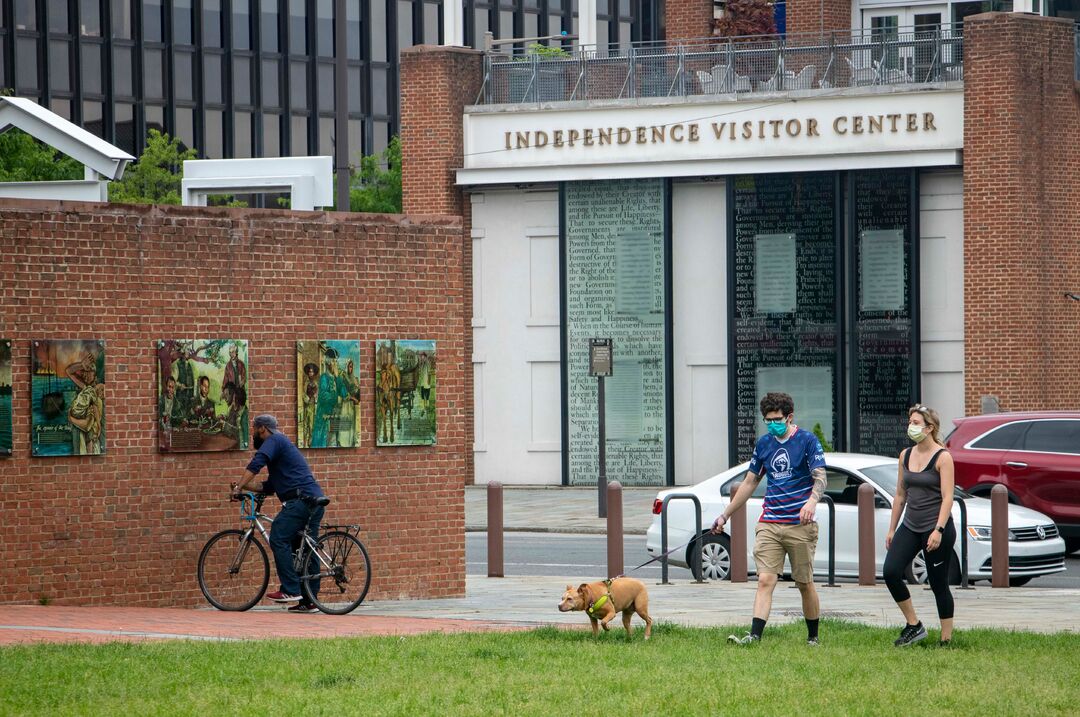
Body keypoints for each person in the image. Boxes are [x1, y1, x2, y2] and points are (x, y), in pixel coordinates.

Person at [711, 392, 826, 646]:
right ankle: (754, 636)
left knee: (804, 583)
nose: (773, 424)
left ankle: (813, 637)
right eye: (768, 420)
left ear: (789, 417)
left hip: (800, 525)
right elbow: (750, 482)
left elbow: (820, 477)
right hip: (770, 522)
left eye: (777, 419)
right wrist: (725, 515)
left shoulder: (807, 441)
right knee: (765, 579)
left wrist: (811, 501)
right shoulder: (764, 444)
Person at [232, 414, 327, 613]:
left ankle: (290, 590)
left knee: (278, 536)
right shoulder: (283, 451)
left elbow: (257, 463)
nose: (253, 434)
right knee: (304, 547)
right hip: (314, 500)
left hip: (301, 501)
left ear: (262, 429)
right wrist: (243, 486)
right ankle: (309, 600)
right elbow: (268, 486)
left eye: (254, 429)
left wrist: (238, 488)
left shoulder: (274, 440)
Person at [883, 404, 956, 647]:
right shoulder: (905, 454)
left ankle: (945, 639)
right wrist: (892, 529)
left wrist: (939, 530)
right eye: (910, 422)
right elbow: (900, 495)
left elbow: (948, 497)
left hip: (935, 527)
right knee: (891, 572)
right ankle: (914, 626)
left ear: (929, 428)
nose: (910, 427)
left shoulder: (943, 457)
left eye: (916, 423)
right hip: (910, 525)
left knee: (938, 583)